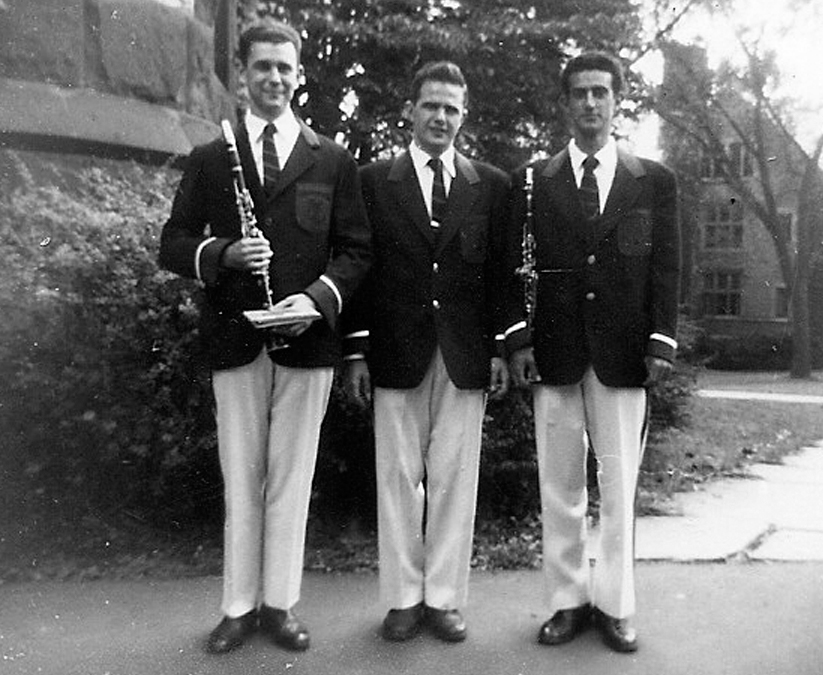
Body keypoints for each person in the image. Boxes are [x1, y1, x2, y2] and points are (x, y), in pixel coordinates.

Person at [159, 20, 371, 654]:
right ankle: (237, 607)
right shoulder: (210, 156)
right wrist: (223, 253)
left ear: (297, 74)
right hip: (236, 338)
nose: (274, 78)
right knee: (241, 478)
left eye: (284, 67)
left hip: (307, 340)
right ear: (243, 75)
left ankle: (279, 605)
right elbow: (172, 243)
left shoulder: (332, 159)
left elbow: (356, 251)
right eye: (262, 67)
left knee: (292, 480)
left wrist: (316, 299)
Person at [503, 52, 680, 653]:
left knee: (619, 483)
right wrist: (518, 339)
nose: (589, 103)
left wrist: (661, 340)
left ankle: (616, 607)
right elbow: (512, 266)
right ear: (565, 104)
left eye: (600, 92)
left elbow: (667, 266)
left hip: (624, 353)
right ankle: (567, 602)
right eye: (579, 93)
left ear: (616, 100)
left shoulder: (652, 180)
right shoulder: (534, 180)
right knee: (559, 485)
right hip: (554, 351)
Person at [343, 61, 510, 643]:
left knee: (455, 479)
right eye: (431, 105)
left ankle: (443, 598)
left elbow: (500, 276)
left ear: (464, 116)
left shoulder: (490, 185)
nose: (440, 117)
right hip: (394, 348)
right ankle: (401, 600)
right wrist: (356, 351)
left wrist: (498, 347)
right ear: (410, 111)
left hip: (464, 353)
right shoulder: (373, 181)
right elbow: (358, 269)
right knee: (396, 476)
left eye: (451, 108)